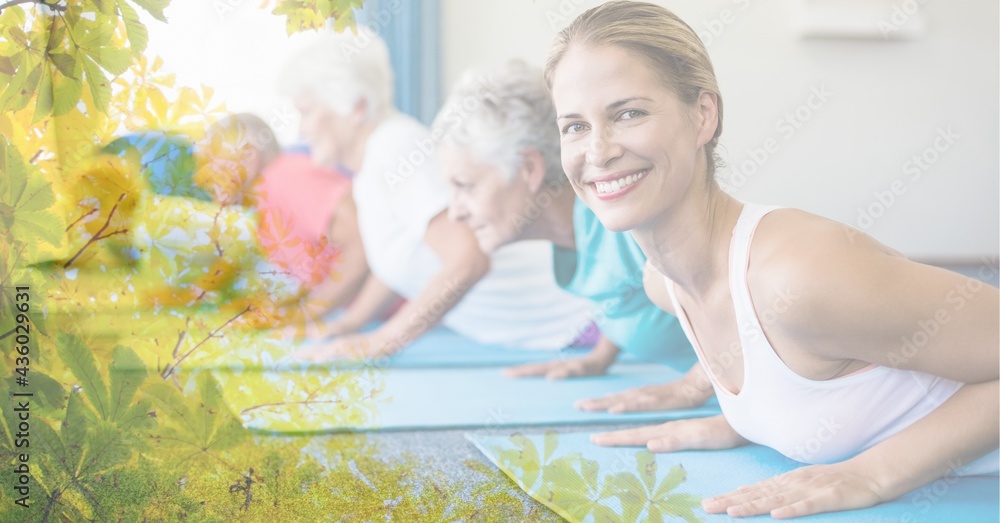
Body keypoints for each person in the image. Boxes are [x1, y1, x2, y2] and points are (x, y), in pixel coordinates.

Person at [545, 1, 998, 519]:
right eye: (574, 126)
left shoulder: (797, 276)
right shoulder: (663, 284)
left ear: (703, 116)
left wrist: (874, 473)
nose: (597, 152)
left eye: (629, 113)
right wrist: (748, 421)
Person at [283, 29, 596, 359]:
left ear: (356, 108)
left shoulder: (394, 148)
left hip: (577, 320)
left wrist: (382, 341)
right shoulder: (372, 165)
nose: (302, 129)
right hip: (549, 332)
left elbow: (468, 258)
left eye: (307, 111)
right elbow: (405, 255)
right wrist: (351, 323)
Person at [435, 59, 709, 410]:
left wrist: (692, 388)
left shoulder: (628, 223)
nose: (456, 211)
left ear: (529, 169)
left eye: (465, 186)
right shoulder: (578, 234)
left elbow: (751, 324)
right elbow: (627, 292)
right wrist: (600, 357)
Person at [194, 114, 369, 334]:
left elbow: (363, 245)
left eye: (210, 161)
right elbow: (325, 269)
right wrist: (279, 310)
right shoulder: (265, 204)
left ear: (249, 156)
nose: (201, 178)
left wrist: (299, 316)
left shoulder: (286, 177)